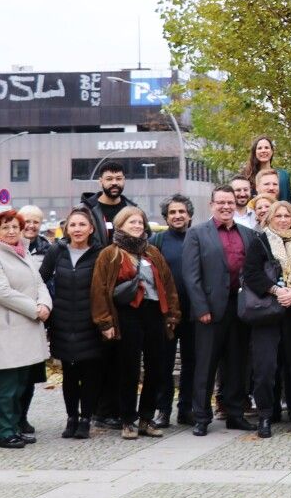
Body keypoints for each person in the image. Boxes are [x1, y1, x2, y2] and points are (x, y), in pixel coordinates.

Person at [91, 207, 182, 440]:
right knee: (128, 369)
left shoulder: (152, 252)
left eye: (140, 222)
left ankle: (146, 418)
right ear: (121, 225)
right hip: (126, 313)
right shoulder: (110, 254)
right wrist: (105, 322)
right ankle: (127, 419)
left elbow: (168, 284)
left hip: (153, 312)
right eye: (132, 222)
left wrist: (172, 314)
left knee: (156, 368)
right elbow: (100, 290)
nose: (137, 226)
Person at [181, 187, 261, 435]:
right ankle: (202, 417)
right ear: (211, 204)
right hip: (210, 310)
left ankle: (235, 413)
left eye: (230, 202)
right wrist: (201, 308)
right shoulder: (197, 233)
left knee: (237, 364)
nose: (226, 207)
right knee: (206, 364)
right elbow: (191, 275)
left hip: (240, 308)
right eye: (221, 202)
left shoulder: (248, 234)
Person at [0, 209, 52, 448]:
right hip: (6, 327)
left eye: (15, 227)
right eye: (5, 227)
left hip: (28, 325)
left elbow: (39, 281)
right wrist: (35, 308)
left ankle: (15, 428)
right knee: (7, 383)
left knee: (22, 382)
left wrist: (45, 304)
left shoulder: (22, 251)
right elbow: (2, 292)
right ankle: (3, 431)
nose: (12, 231)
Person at [243, 201, 291, 437]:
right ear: (270, 218)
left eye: (288, 216)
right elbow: (252, 274)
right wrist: (276, 291)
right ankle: (265, 415)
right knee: (264, 368)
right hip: (267, 314)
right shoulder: (259, 243)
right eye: (279, 216)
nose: (283, 220)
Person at [41, 209, 104, 439]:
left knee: (90, 372)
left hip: (91, 322)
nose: (77, 229)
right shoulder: (57, 251)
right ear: (67, 228)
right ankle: (71, 417)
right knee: (69, 371)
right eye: (73, 225)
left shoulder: (100, 253)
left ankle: (86, 418)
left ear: (91, 229)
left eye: (82, 225)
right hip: (63, 321)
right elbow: (41, 279)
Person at [149, 194, 194, 426]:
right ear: (166, 217)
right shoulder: (157, 241)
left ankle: (186, 409)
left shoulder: (198, 238)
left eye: (181, 212)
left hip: (194, 312)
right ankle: (162, 410)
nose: (177, 216)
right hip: (166, 313)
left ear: (189, 215)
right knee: (163, 363)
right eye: (172, 212)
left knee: (191, 363)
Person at [80, 161, 137, 247]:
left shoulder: (134, 211)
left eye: (118, 178)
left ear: (124, 180)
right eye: (109, 179)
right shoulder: (85, 210)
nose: (114, 182)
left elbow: (145, 237)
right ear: (100, 181)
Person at [244, 136, 291, 203]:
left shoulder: (283, 175)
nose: (263, 151)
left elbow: (289, 201)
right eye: (260, 148)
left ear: (272, 151)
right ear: (255, 152)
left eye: (266, 148)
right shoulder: (248, 176)